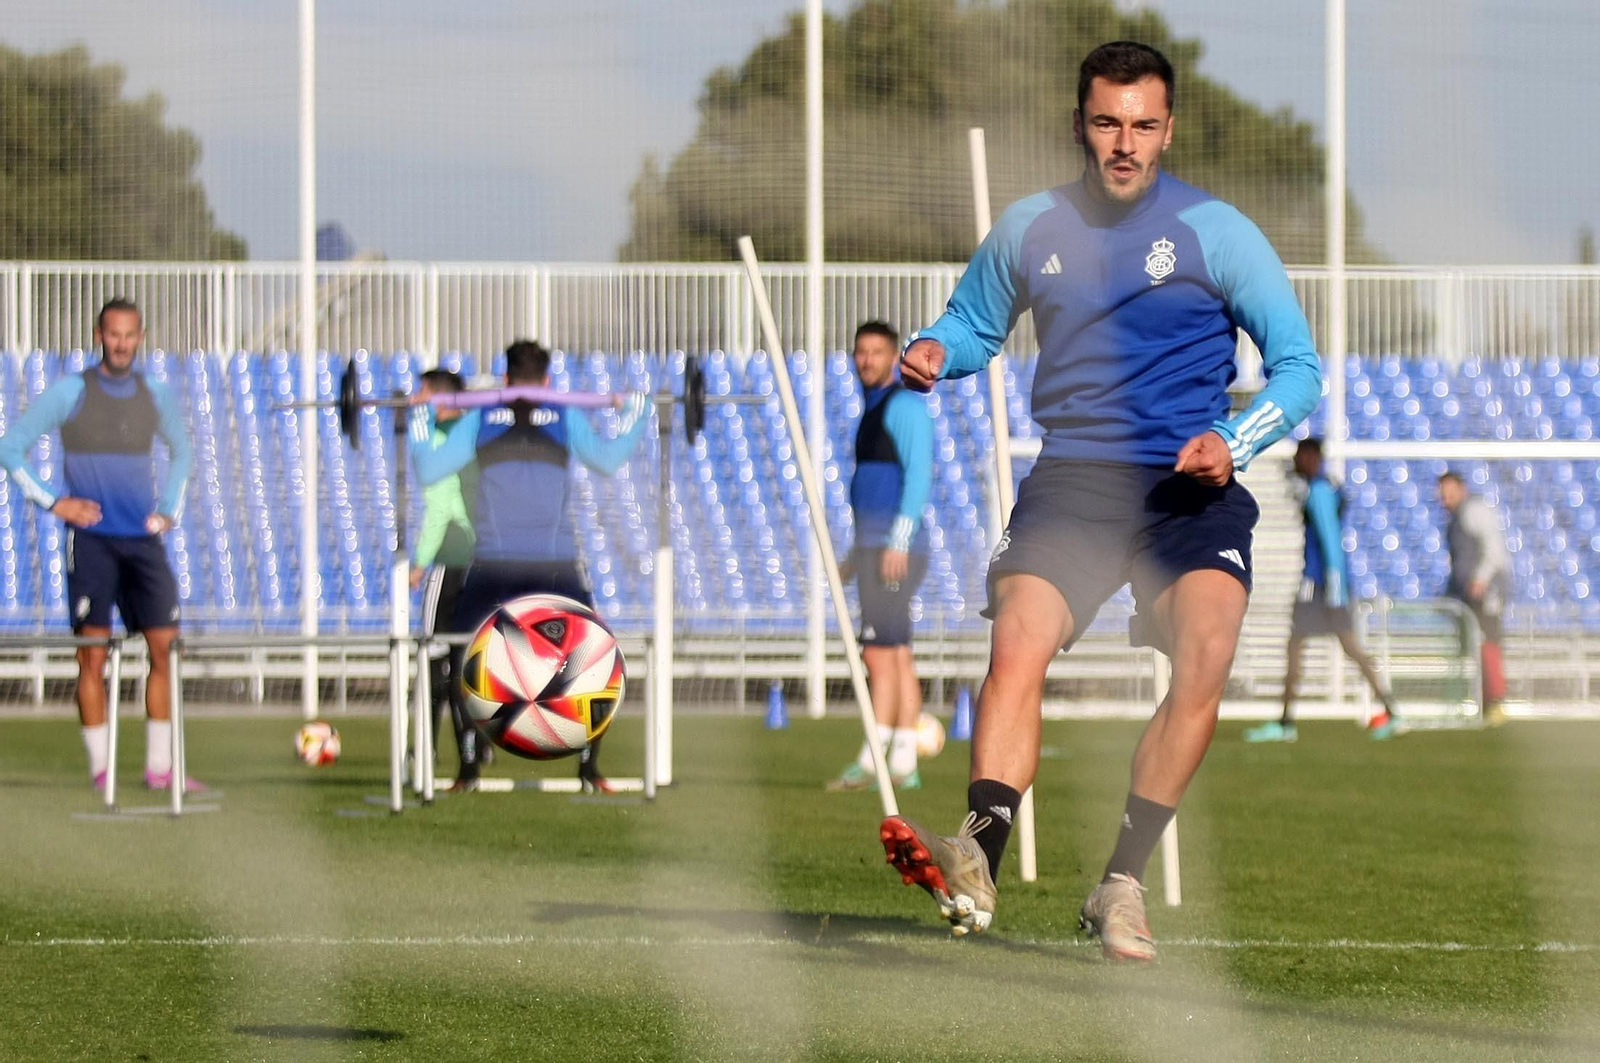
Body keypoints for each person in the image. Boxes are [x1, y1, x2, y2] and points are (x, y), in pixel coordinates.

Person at [879, 41, 1323, 961]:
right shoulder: (1031, 228)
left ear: (1168, 131)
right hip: (1075, 481)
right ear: (1080, 123)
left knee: (1205, 655)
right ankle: (980, 852)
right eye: (1108, 121)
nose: (1125, 142)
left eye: (1143, 124)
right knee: (1017, 642)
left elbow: (1299, 369)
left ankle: (1121, 883)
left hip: (1186, 489)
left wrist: (1231, 444)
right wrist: (933, 349)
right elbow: (971, 324)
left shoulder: (1219, 231)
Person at [410, 340, 650, 792]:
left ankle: (468, 772)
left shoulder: (480, 417)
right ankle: (588, 770)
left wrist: (421, 423)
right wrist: (635, 416)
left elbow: (428, 471)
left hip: (494, 566)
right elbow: (609, 459)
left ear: (504, 379)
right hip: (554, 565)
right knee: (593, 659)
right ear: (546, 382)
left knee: (463, 660)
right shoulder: (566, 414)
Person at [0, 298, 196, 791]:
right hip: (91, 542)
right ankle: (101, 770)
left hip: (142, 543)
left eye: (130, 335)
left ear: (141, 337)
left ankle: (159, 770)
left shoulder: (154, 394)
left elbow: (183, 451)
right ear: (99, 335)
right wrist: (54, 502)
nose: (122, 343)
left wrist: (170, 506)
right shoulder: (72, 391)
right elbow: (10, 447)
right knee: (92, 656)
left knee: (165, 651)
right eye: (114, 334)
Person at [827, 321, 934, 792]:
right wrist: (857, 552)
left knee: (880, 653)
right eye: (860, 352)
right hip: (874, 548)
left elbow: (917, 476)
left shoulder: (905, 406)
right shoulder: (870, 413)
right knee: (894, 653)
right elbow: (870, 491)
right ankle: (902, 760)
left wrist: (899, 542)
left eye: (876, 352)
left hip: (894, 549)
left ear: (894, 358)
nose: (866, 360)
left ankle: (878, 758)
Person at [1245, 437, 1400, 743]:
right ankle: (1389, 712)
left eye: (1299, 457)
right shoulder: (1323, 489)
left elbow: (1331, 543)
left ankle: (1287, 722)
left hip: (1319, 587)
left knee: (1313, 648)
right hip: (1324, 586)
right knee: (1331, 647)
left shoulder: (1319, 491)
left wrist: (1334, 591)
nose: (1294, 463)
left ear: (1312, 458)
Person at [408, 369, 484, 775]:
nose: (413, 398)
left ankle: (425, 752)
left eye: (421, 392)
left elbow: (440, 508)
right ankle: (473, 752)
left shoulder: (439, 440)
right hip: (478, 557)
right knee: (462, 660)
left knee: (432, 655)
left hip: (452, 557)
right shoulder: (473, 437)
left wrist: (420, 563)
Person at [1437, 472, 1510, 726]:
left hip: (1485, 594)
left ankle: (1496, 701)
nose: (1445, 499)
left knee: (1487, 644)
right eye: (1442, 494)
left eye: (1450, 492)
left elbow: (1494, 549)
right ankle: (1482, 700)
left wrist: (1481, 578)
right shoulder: (1456, 518)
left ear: (1462, 489)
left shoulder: (1474, 511)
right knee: (1474, 646)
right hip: (1468, 595)